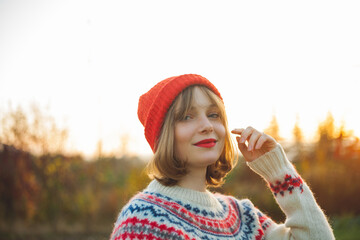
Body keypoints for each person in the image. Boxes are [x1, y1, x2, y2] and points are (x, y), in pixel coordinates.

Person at [110, 74, 334, 240]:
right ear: (164, 135)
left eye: (213, 115)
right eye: (187, 116)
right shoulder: (142, 220)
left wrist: (278, 170)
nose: (207, 126)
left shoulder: (242, 218)